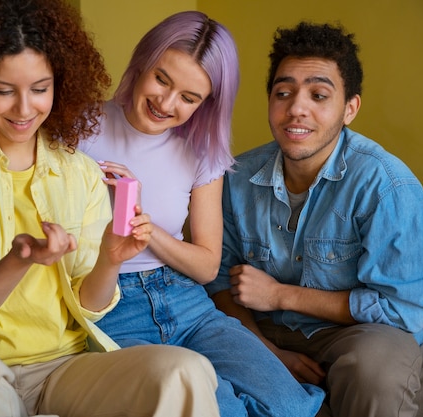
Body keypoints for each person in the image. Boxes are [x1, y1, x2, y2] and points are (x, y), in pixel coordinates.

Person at [0, 1, 222, 416]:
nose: (24, 110)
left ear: (60, 83)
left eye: (40, 89)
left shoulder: (79, 171)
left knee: (185, 371)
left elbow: (91, 305)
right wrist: (18, 260)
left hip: (68, 368)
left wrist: (109, 260)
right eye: (4, 90)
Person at [79, 11, 325, 417]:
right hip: (112, 307)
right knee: (217, 409)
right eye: (161, 79)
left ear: (206, 103)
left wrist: (142, 220)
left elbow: (207, 266)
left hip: (186, 301)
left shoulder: (202, 154)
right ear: (142, 62)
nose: (165, 103)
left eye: (189, 98)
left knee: (288, 406)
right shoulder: (80, 126)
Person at [204, 21, 423, 417]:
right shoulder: (234, 179)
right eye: (283, 93)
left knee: (377, 371)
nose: (297, 107)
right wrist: (267, 354)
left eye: (319, 95)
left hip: (354, 333)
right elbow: (216, 280)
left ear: (350, 108)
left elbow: (400, 307)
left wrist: (280, 295)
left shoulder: (387, 186)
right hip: (258, 330)